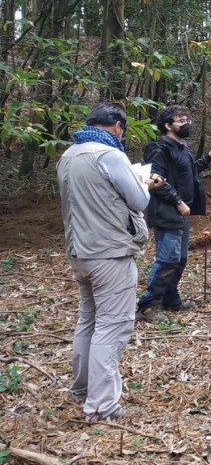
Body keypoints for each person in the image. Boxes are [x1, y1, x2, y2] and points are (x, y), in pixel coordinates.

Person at [58, 103, 162, 421]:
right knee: (113, 325)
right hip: (109, 251)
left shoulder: (68, 155)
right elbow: (139, 200)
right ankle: (102, 405)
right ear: (116, 126)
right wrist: (143, 182)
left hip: (79, 251)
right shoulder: (110, 155)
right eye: (122, 128)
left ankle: (82, 388)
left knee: (88, 320)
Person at [137, 105, 211, 322]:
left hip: (182, 213)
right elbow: (155, 178)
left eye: (186, 119)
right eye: (180, 120)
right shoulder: (159, 149)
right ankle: (148, 305)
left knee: (180, 259)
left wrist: (208, 158)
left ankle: (170, 298)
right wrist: (178, 201)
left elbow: (190, 171)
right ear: (167, 125)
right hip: (167, 211)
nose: (186, 124)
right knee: (167, 259)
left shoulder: (182, 148)